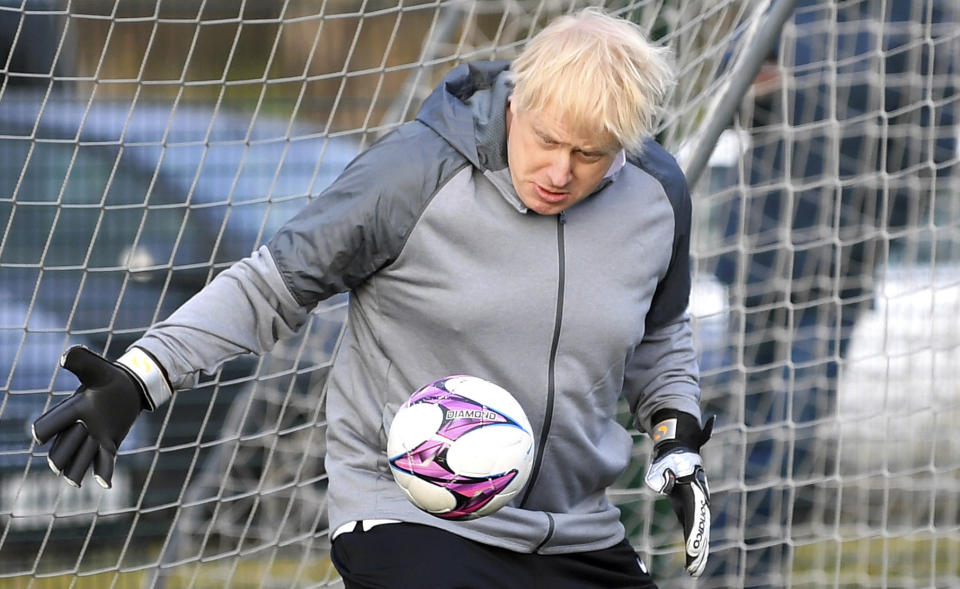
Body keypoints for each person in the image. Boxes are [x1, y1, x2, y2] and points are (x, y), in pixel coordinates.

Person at [31, 8, 713, 588]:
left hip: (571, 529)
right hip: (411, 514)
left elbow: (659, 332)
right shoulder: (415, 173)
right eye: (547, 141)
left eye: (590, 155)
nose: (561, 171)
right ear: (516, 100)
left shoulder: (656, 196)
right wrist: (141, 376)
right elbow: (272, 282)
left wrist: (674, 434)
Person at [708, 0, 958, 585]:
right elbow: (728, 93)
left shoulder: (921, 19)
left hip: (839, 275)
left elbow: (938, 149)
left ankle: (736, 570)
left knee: (788, 434)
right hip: (757, 257)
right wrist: (755, 88)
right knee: (747, 428)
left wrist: (880, 219)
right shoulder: (790, 10)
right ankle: (720, 555)